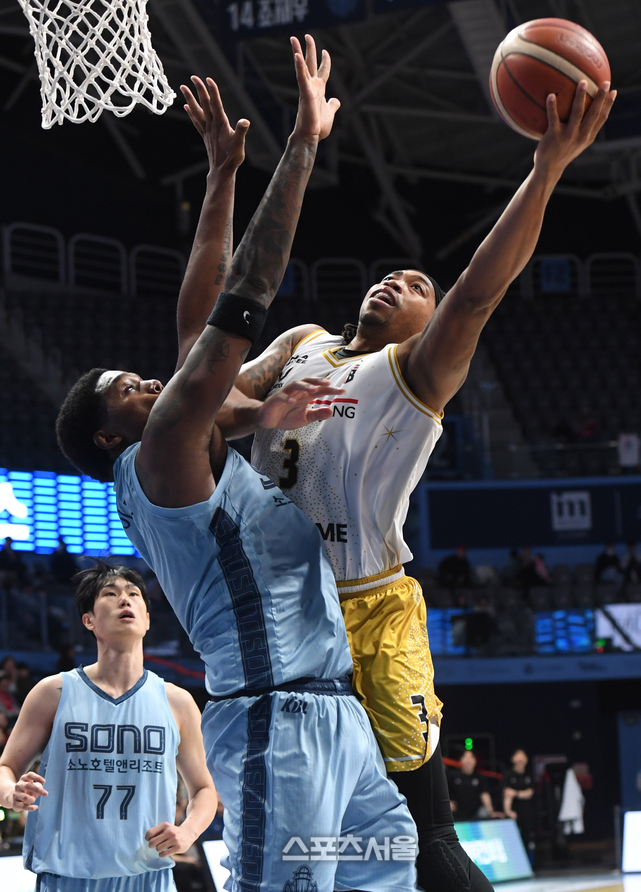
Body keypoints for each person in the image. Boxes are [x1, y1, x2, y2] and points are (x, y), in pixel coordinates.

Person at [174, 66, 615, 892]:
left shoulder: (414, 372)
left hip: (367, 608)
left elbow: (477, 294)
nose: (396, 282)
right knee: (316, 840)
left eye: (417, 287)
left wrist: (546, 168)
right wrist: (264, 411)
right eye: (393, 275)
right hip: (279, 608)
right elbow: (207, 401)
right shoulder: (304, 343)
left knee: (425, 835)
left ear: (427, 320)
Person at [54, 37, 417, 892]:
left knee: (385, 872)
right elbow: (238, 293)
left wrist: (221, 175)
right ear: (110, 437)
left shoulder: (185, 441)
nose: (147, 381)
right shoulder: (164, 453)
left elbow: (195, 326)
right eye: (127, 390)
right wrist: (303, 145)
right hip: (272, 724)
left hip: (335, 716)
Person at [0, 562, 217, 892]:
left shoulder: (178, 702)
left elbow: (204, 790)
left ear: (147, 619)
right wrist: (10, 793)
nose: (124, 599)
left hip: (149, 879)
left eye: (133, 594)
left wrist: (187, 832)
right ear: (88, 620)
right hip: (68, 879)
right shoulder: (52, 692)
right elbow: (6, 767)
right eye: (111, 594)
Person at [448, 749, 500, 822]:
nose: (468, 761)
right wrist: (448, 803)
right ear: (461, 760)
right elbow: (444, 792)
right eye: (466, 757)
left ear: (475, 761)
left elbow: (484, 794)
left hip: (475, 812)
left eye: (471, 758)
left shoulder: (479, 777)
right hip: (456, 811)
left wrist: (491, 811)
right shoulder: (452, 775)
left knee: (484, 812)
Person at [502, 749, 536, 854]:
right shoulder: (508, 775)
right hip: (514, 813)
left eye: (523, 756)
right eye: (518, 756)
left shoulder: (529, 774)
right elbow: (507, 794)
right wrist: (508, 811)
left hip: (528, 812)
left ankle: (529, 860)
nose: (521, 759)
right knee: (513, 839)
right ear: (513, 759)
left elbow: (529, 792)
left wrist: (516, 793)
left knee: (528, 838)